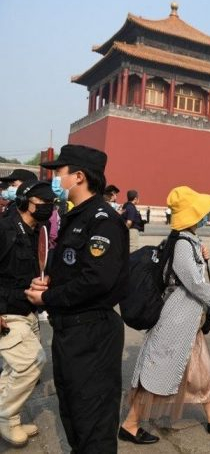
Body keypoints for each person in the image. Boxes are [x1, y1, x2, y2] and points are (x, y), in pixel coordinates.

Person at [119, 186, 210, 444]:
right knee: (156, 373)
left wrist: (201, 257)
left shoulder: (185, 241)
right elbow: (196, 284)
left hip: (188, 323)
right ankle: (130, 424)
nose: (204, 216)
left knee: (201, 370)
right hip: (176, 322)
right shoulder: (182, 245)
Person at [26, 144, 128, 453]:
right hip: (70, 330)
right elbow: (73, 267)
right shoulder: (75, 216)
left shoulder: (102, 220)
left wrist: (48, 298)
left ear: (79, 176)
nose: (56, 178)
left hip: (92, 332)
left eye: (60, 172)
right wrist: (49, 281)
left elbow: (97, 279)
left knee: (92, 414)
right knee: (72, 409)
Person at [0, 181, 54, 447]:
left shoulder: (37, 232)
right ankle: (5, 415)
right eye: (42, 204)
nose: (48, 209)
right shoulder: (5, 229)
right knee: (32, 362)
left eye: (50, 204)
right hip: (7, 311)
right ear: (24, 202)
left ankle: (11, 421)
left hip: (28, 310)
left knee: (13, 368)